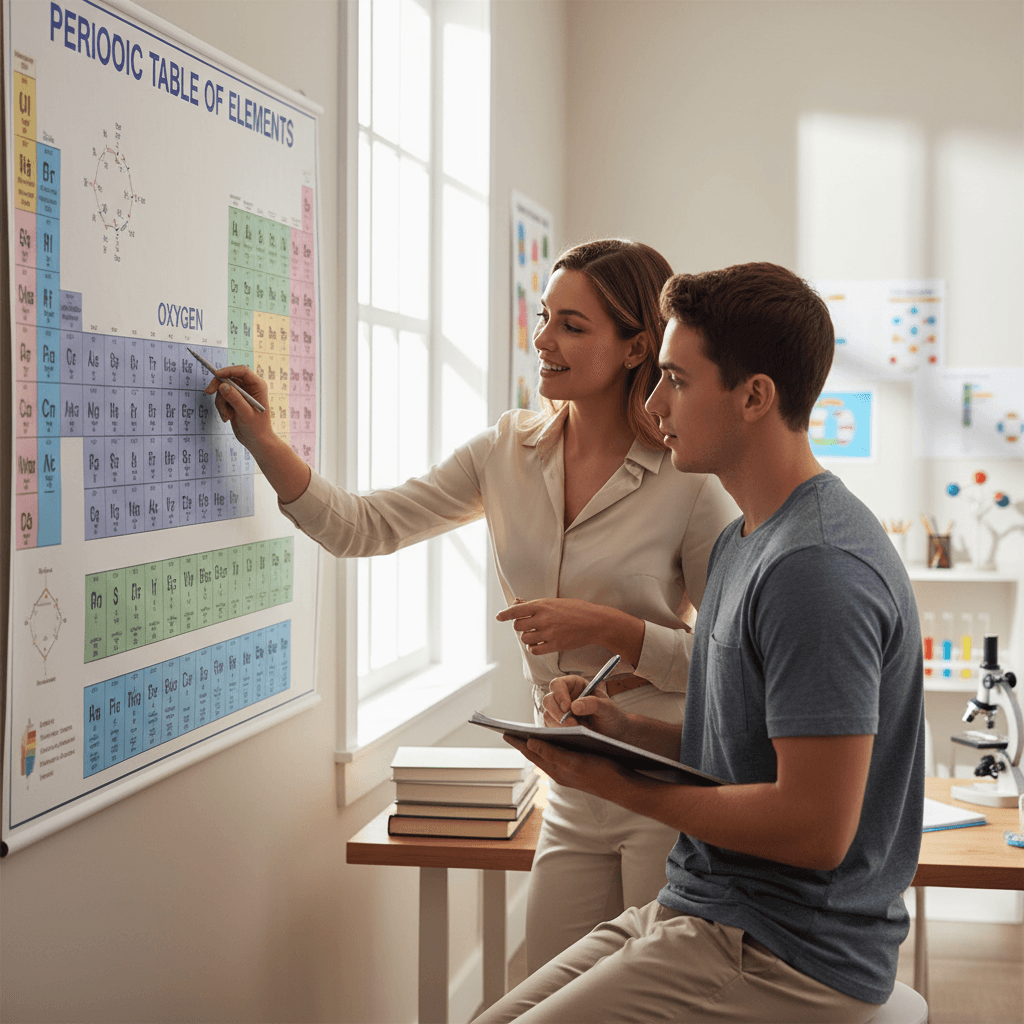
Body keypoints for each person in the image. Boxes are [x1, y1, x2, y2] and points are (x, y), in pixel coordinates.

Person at [204, 239, 739, 972]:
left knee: (653, 996)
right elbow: (364, 526)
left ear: (635, 347)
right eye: (544, 318)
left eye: (572, 326)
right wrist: (263, 439)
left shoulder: (689, 479)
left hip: (661, 778)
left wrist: (616, 630)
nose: (543, 341)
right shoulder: (505, 451)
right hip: (570, 780)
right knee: (546, 991)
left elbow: (730, 661)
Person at [479, 262, 925, 1023]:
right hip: (706, 903)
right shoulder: (745, 541)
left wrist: (616, 785)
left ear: (754, 397)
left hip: (787, 950)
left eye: (677, 381)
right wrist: (624, 734)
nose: (653, 404)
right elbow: (746, 753)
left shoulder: (816, 568)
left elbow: (815, 829)